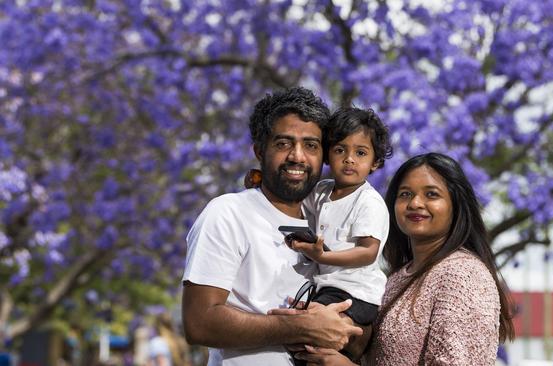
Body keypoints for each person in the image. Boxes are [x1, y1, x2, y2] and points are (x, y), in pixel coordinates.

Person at [181, 87, 363, 366]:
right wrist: (301, 327)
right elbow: (199, 322)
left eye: (311, 145)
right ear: (259, 150)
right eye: (283, 143)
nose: (297, 156)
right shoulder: (229, 213)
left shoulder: (334, 224)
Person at [288, 152, 515, 365]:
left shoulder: (463, 276)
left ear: (456, 205)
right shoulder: (399, 276)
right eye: (405, 194)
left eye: (431, 194)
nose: (415, 203)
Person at [286, 107, 392, 330]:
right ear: (327, 155)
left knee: (307, 326)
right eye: (340, 150)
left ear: (375, 162)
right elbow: (292, 203)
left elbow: (367, 253)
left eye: (361, 153)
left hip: (356, 293)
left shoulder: (368, 202)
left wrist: (322, 256)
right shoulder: (321, 191)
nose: (349, 159)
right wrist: (261, 181)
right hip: (326, 287)